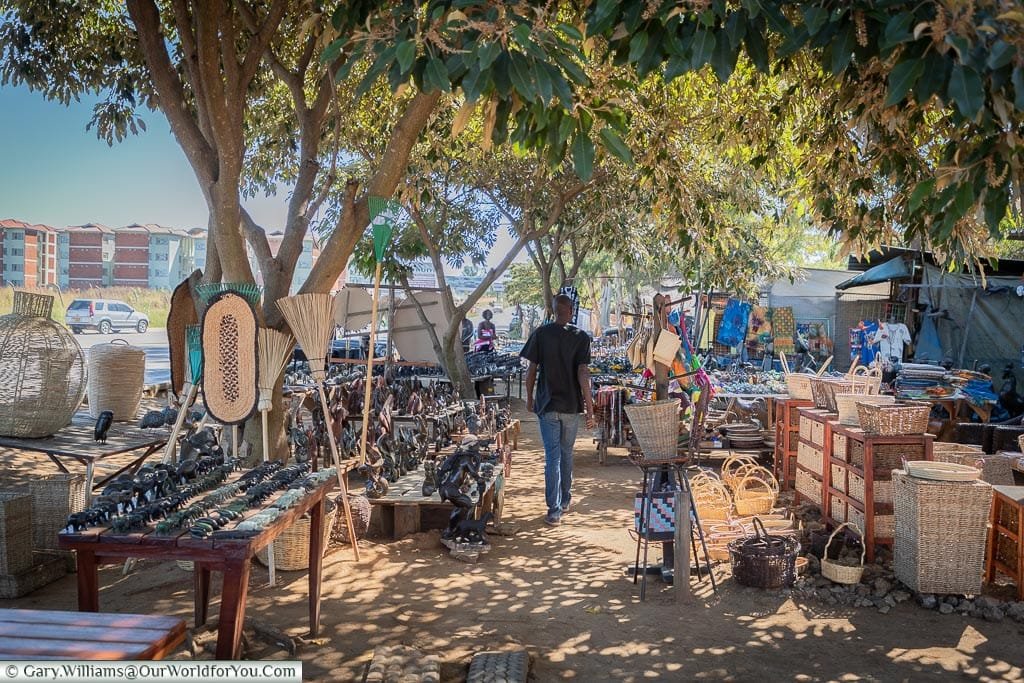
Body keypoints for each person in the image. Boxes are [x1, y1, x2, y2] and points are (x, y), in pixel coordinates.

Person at [521, 294, 595, 526]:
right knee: (566, 454)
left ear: (553, 310)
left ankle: (554, 510)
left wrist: (529, 397)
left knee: (552, 458)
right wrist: (590, 408)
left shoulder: (541, 334)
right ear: (571, 310)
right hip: (571, 407)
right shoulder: (581, 337)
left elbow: (531, 371)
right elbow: (584, 375)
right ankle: (564, 500)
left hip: (548, 405)